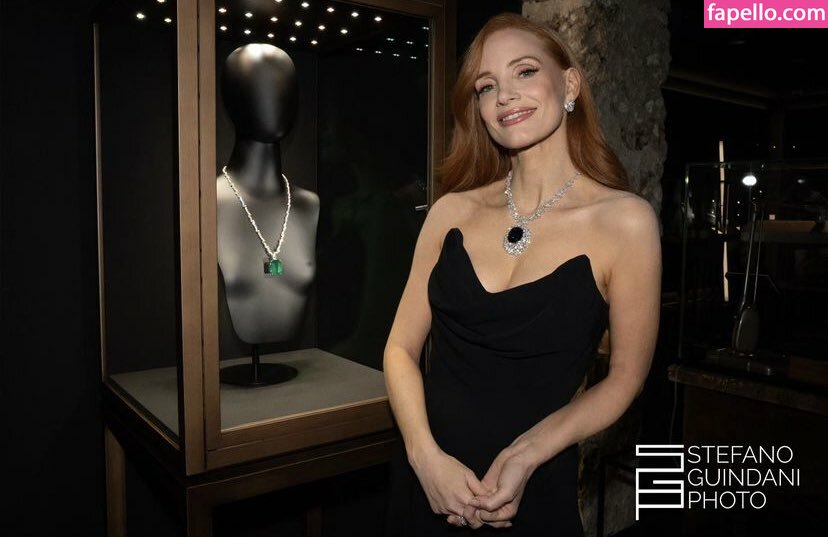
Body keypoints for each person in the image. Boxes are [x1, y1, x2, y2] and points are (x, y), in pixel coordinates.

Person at [383, 12, 661, 536]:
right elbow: (399, 349)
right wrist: (425, 459)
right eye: (486, 86)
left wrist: (528, 452)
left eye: (525, 71)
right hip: (426, 486)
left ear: (570, 85)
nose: (505, 95)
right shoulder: (450, 212)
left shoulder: (625, 222)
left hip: (534, 491)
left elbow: (626, 376)